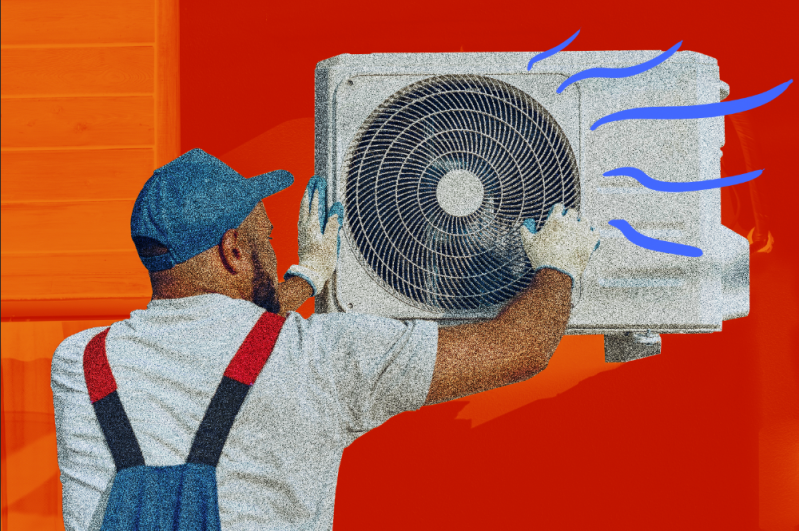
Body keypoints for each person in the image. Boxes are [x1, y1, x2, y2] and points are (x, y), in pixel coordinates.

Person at [51, 148, 598, 530]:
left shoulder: (79, 364)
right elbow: (521, 347)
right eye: (265, 236)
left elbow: (226, 341)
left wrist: (307, 278)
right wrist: (558, 266)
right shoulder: (326, 358)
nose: (272, 245)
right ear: (234, 250)